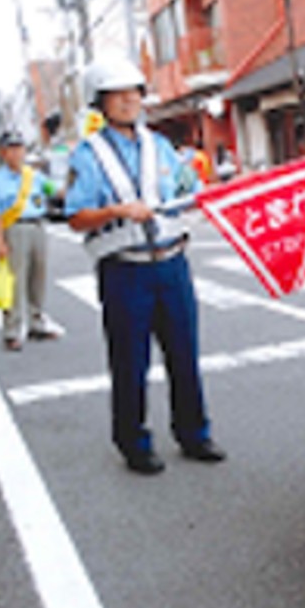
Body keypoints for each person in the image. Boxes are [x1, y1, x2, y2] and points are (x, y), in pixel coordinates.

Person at [64, 51, 225, 476]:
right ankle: (134, 441)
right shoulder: (88, 155)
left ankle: (194, 433)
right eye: (116, 95)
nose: (128, 101)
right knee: (130, 360)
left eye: (133, 93)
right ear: (100, 102)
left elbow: (187, 188)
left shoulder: (159, 146)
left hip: (172, 262)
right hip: (125, 269)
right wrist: (117, 209)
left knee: (184, 353)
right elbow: (77, 217)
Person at [0, 130, 62, 351]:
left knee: (38, 276)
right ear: (3, 153)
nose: (17, 152)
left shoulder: (34, 176)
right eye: (12, 148)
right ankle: (11, 331)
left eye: (20, 148)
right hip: (15, 229)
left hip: (37, 226)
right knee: (15, 281)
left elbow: (55, 191)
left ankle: (36, 323)